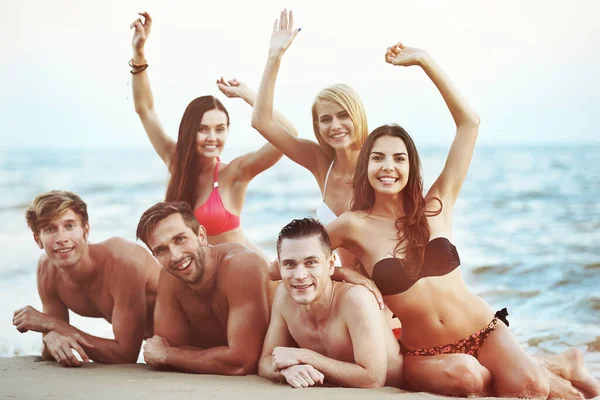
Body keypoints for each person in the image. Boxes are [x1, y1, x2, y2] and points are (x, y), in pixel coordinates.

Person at [325, 42, 600, 398]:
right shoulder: (352, 225)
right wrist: (347, 274)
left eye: (399, 158)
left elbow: (469, 123)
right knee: (469, 380)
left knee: (531, 387)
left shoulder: (438, 202)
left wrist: (425, 61)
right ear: (366, 167)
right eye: (378, 158)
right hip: (427, 353)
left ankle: (555, 367)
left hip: (484, 330)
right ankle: (557, 367)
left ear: (411, 167)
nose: (388, 167)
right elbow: (298, 259)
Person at [129, 11, 297, 258]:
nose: (212, 137)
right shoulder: (175, 161)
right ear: (189, 131)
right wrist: (139, 53)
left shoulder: (236, 172)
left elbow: (288, 135)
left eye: (220, 129)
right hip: (197, 277)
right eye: (203, 129)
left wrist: (248, 95)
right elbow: (145, 109)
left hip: (246, 272)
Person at [250, 10, 369, 275]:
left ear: (357, 116)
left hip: (392, 288)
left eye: (343, 116)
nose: (335, 126)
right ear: (317, 126)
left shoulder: (377, 162)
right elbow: (261, 122)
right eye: (325, 119)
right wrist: (274, 57)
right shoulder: (320, 163)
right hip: (348, 282)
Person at [13, 190, 160, 367]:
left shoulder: (122, 261)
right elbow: (52, 348)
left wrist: (53, 325)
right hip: (162, 347)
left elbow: (126, 355)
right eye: (50, 229)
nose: (61, 238)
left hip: (195, 338)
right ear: (38, 239)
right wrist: (51, 337)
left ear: (86, 230)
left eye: (69, 226)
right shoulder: (47, 271)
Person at [258, 218, 403, 389]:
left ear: (331, 264)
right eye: (290, 264)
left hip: (395, 390)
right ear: (280, 267)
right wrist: (286, 371)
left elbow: (373, 379)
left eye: (311, 263)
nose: (299, 275)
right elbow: (265, 362)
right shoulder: (284, 295)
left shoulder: (356, 299)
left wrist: (305, 356)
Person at [135, 201, 270, 375]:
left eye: (180, 239)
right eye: (162, 250)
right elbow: (163, 350)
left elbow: (242, 362)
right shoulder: (170, 277)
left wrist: (169, 354)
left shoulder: (241, 266)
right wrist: (171, 354)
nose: (176, 256)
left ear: (201, 235)